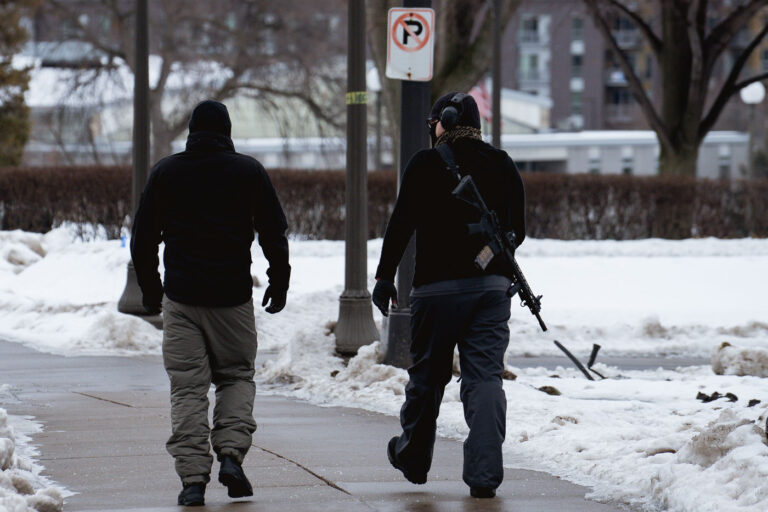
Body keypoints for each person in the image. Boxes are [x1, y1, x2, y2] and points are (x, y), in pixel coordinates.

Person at [131, 100, 290, 506]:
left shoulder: (166, 172)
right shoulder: (248, 172)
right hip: (232, 299)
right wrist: (279, 280)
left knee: (187, 389)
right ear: (227, 132)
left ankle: (192, 482)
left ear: (191, 131)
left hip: (182, 300)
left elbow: (143, 238)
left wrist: (152, 291)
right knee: (236, 377)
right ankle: (232, 455)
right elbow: (274, 230)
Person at [372, 92, 525, 499]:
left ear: (444, 122)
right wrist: (485, 258)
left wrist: (385, 277)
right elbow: (517, 232)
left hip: (435, 292)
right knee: (485, 379)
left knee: (427, 377)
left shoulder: (425, 163)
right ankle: (484, 476)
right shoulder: (502, 164)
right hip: (492, 292)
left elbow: (401, 223)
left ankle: (413, 458)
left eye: (433, 123)